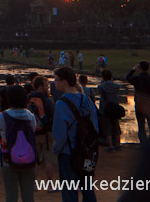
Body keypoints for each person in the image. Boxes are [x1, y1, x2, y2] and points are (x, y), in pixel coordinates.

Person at [53, 67, 98, 202]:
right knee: (88, 188)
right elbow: (95, 127)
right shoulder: (87, 100)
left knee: (69, 190)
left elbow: (60, 135)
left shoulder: (61, 104)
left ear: (64, 82)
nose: (54, 83)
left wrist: (56, 150)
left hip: (68, 153)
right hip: (87, 151)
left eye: (56, 80)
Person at [0, 85, 37, 202]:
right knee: (28, 196)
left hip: (7, 158)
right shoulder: (30, 116)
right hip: (29, 157)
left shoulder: (2, 116)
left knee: (10, 196)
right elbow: (33, 130)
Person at [28, 76, 56, 184]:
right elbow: (52, 116)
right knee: (48, 159)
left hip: (33, 133)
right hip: (46, 133)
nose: (48, 87)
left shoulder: (28, 99)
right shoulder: (47, 100)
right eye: (46, 85)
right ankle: (50, 184)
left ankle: (34, 184)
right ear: (40, 86)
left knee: (34, 160)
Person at [126, 61, 150, 143]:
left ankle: (143, 143)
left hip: (139, 103)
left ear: (139, 68)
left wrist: (133, 70)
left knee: (141, 125)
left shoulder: (136, 78)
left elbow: (127, 77)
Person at [97, 70, 122, 152]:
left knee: (107, 128)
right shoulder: (116, 86)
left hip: (105, 109)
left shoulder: (101, 87)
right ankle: (118, 145)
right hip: (115, 109)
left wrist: (102, 82)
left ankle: (111, 146)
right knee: (116, 127)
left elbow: (99, 91)